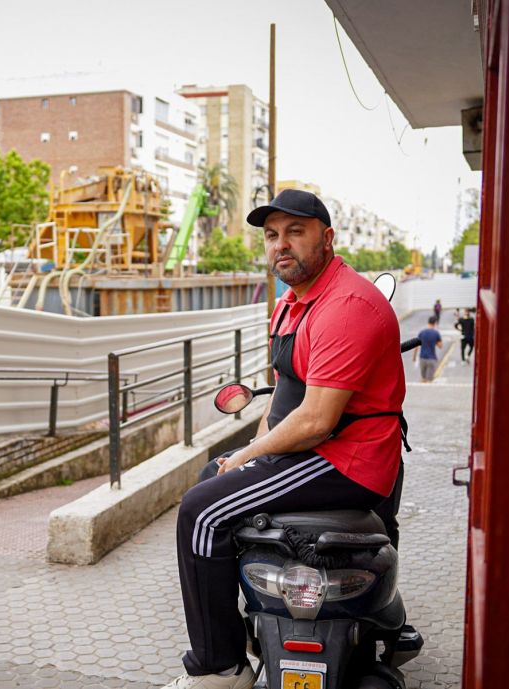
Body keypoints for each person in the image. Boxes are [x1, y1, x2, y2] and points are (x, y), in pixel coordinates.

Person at [162, 189, 408, 689]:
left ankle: (220, 667)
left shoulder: (347, 305)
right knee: (214, 473)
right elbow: (283, 402)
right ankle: (252, 620)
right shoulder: (291, 305)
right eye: (272, 235)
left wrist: (250, 457)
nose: (281, 245)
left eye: (296, 231)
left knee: (201, 512)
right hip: (318, 449)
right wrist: (244, 458)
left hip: (346, 460)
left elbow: (316, 420)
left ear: (328, 238)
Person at [414, 316, 443, 382]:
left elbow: (416, 346)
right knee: (429, 380)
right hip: (432, 358)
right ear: (435, 323)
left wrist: (414, 357)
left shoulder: (422, 333)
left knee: (423, 379)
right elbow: (440, 346)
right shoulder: (436, 333)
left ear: (428, 322)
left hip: (422, 358)